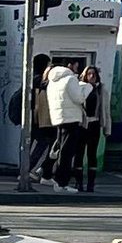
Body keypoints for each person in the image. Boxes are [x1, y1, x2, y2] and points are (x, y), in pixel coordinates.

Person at [45, 61, 93, 193]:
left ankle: (47, 173)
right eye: (77, 66)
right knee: (67, 152)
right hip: (71, 118)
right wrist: (88, 87)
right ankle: (61, 183)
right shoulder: (70, 79)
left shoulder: (53, 81)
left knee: (60, 149)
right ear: (71, 66)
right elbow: (79, 98)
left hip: (59, 118)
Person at [77, 65, 112, 193]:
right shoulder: (80, 87)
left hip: (95, 124)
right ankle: (79, 183)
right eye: (89, 74)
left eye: (94, 74)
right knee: (79, 153)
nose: (91, 76)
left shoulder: (101, 89)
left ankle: (91, 184)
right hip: (82, 124)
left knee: (92, 154)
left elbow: (106, 110)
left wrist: (107, 129)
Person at [28, 55, 55, 180]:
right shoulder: (40, 80)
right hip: (38, 118)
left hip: (30, 117)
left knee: (28, 144)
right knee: (43, 143)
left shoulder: (30, 77)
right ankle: (28, 169)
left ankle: (25, 169)